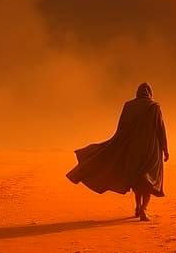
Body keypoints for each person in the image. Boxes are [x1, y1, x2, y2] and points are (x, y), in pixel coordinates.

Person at [66, 83, 169, 221]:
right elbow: (160, 129)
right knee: (148, 181)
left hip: (133, 149)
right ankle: (144, 209)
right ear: (150, 93)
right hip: (151, 149)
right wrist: (165, 149)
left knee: (137, 179)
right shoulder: (154, 106)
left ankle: (138, 206)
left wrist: (117, 145)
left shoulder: (128, 106)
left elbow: (122, 129)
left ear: (137, 93)